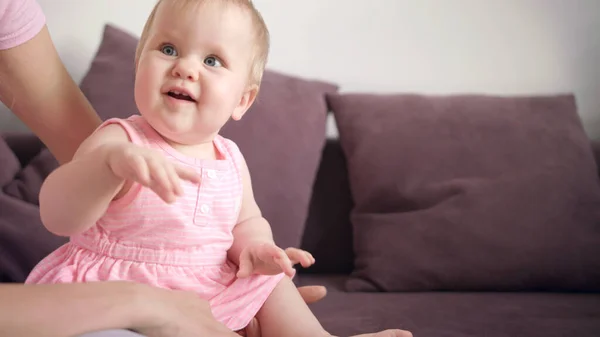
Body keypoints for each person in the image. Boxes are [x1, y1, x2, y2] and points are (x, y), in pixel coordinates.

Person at [22, 0, 413, 336]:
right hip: (118, 293)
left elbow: (247, 221)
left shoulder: (229, 158)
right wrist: (107, 168)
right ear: (138, 65)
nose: (185, 68)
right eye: (169, 48)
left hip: (204, 293)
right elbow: (58, 214)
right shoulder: (121, 140)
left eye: (212, 60)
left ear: (242, 100)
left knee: (268, 280)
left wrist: (257, 249)